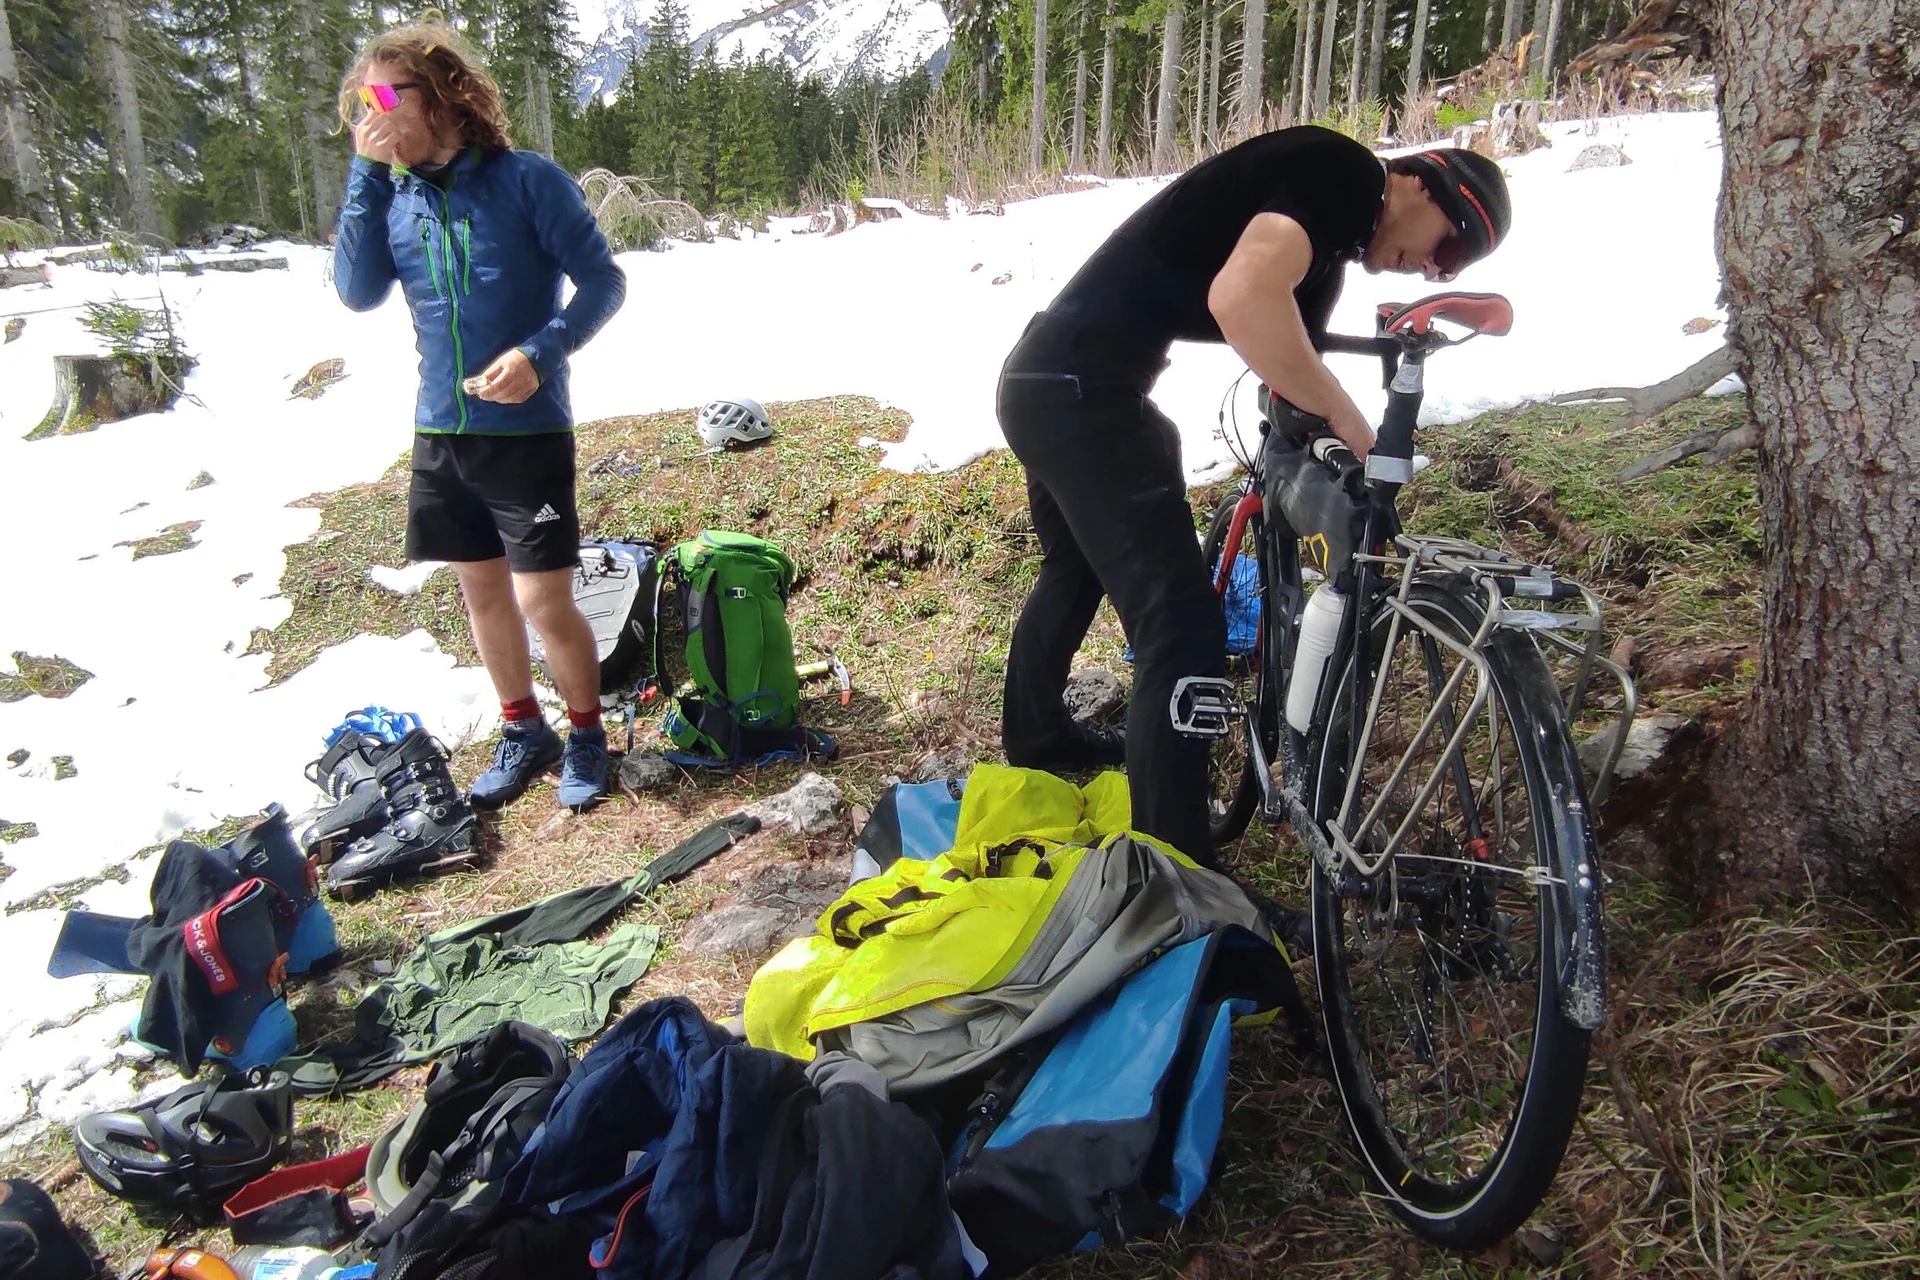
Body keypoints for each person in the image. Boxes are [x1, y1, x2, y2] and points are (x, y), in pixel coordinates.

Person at [997, 127, 1511, 864]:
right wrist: (1343, 412)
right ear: (1422, 185)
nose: (1435, 267)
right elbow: (1242, 297)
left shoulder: (1326, 239)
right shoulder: (1341, 174)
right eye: (1453, 245)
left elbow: (1286, 355)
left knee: (1076, 565)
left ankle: (1039, 734)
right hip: (1082, 390)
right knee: (1183, 630)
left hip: (1049, 377)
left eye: (1452, 268)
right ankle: (1176, 872)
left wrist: (1326, 412)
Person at [331, 26, 627, 813]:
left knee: (542, 602)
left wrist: (542, 351)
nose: (376, 110)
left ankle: (589, 735)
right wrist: (366, 170)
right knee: (482, 596)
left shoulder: (527, 179)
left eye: (390, 95)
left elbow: (603, 282)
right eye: (366, 100)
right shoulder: (394, 197)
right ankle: (523, 728)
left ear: (444, 94)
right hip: (441, 430)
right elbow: (356, 293)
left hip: (526, 430)